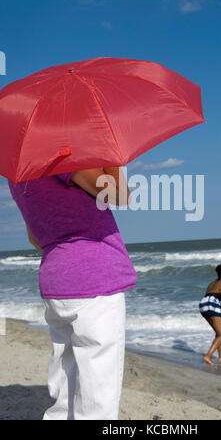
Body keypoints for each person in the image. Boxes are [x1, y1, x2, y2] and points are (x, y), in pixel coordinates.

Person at [8, 166, 137, 420]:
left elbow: (35, 238)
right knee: (97, 394)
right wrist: (111, 158)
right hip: (94, 277)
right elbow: (119, 194)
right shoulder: (66, 152)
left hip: (57, 279)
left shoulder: (18, 173)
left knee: (66, 387)